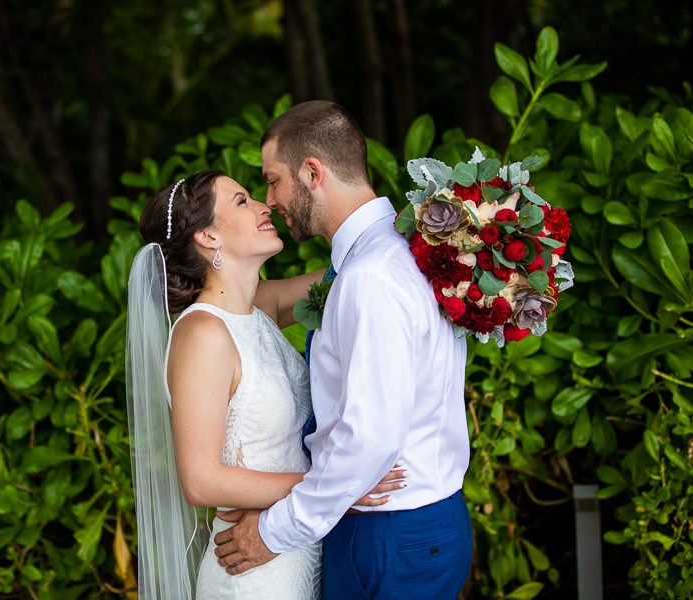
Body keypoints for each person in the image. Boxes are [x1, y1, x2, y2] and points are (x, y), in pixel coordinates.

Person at [212, 101, 473, 599]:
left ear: (313, 172)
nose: (271, 200)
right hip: (407, 525)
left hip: (389, 535)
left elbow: (369, 439)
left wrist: (272, 532)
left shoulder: (369, 277)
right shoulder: (402, 252)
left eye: (272, 180)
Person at [126, 169, 407, 599]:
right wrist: (339, 483)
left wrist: (426, 222)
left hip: (296, 547)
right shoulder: (202, 335)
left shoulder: (260, 307)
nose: (264, 206)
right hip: (249, 572)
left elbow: (357, 269)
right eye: (241, 201)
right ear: (207, 237)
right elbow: (199, 480)